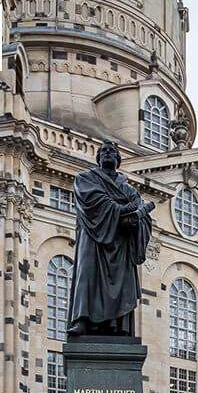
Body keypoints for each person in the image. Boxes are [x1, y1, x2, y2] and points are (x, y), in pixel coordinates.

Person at [67, 142, 154, 337]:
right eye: (104, 151)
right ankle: (82, 320)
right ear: (98, 158)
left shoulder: (129, 189)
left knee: (121, 282)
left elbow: (141, 215)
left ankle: (118, 326)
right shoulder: (85, 179)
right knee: (86, 274)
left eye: (112, 151)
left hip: (120, 243)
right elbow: (93, 202)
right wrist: (122, 211)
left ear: (118, 159)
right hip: (92, 238)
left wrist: (136, 221)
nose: (107, 153)